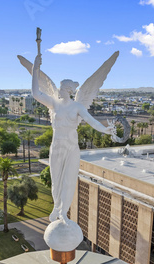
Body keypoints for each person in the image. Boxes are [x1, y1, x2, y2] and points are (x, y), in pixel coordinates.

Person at [31, 53, 116, 223]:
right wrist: (35, 68)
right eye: (59, 89)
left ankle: (64, 212)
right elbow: (36, 93)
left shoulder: (77, 106)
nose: (59, 91)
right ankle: (56, 207)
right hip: (57, 147)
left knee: (69, 181)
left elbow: (91, 122)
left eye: (62, 89)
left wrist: (105, 130)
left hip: (71, 147)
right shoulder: (53, 103)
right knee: (56, 181)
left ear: (68, 91)